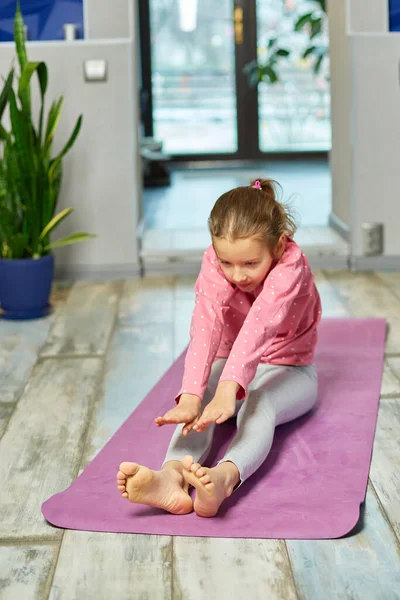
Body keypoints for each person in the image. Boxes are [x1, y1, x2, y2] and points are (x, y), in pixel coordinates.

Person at [117, 178, 322, 518]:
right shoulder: (215, 259)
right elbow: (206, 323)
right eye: (227, 263)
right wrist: (192, 396)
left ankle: (224, 479)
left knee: (259, 403)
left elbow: (260, 325)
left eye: (250, 264)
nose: (237, 275)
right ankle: (171, 477)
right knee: (196, 406)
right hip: (230, 359)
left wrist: (229, 390)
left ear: (278, 245)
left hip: (290, 366)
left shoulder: (291, 265)